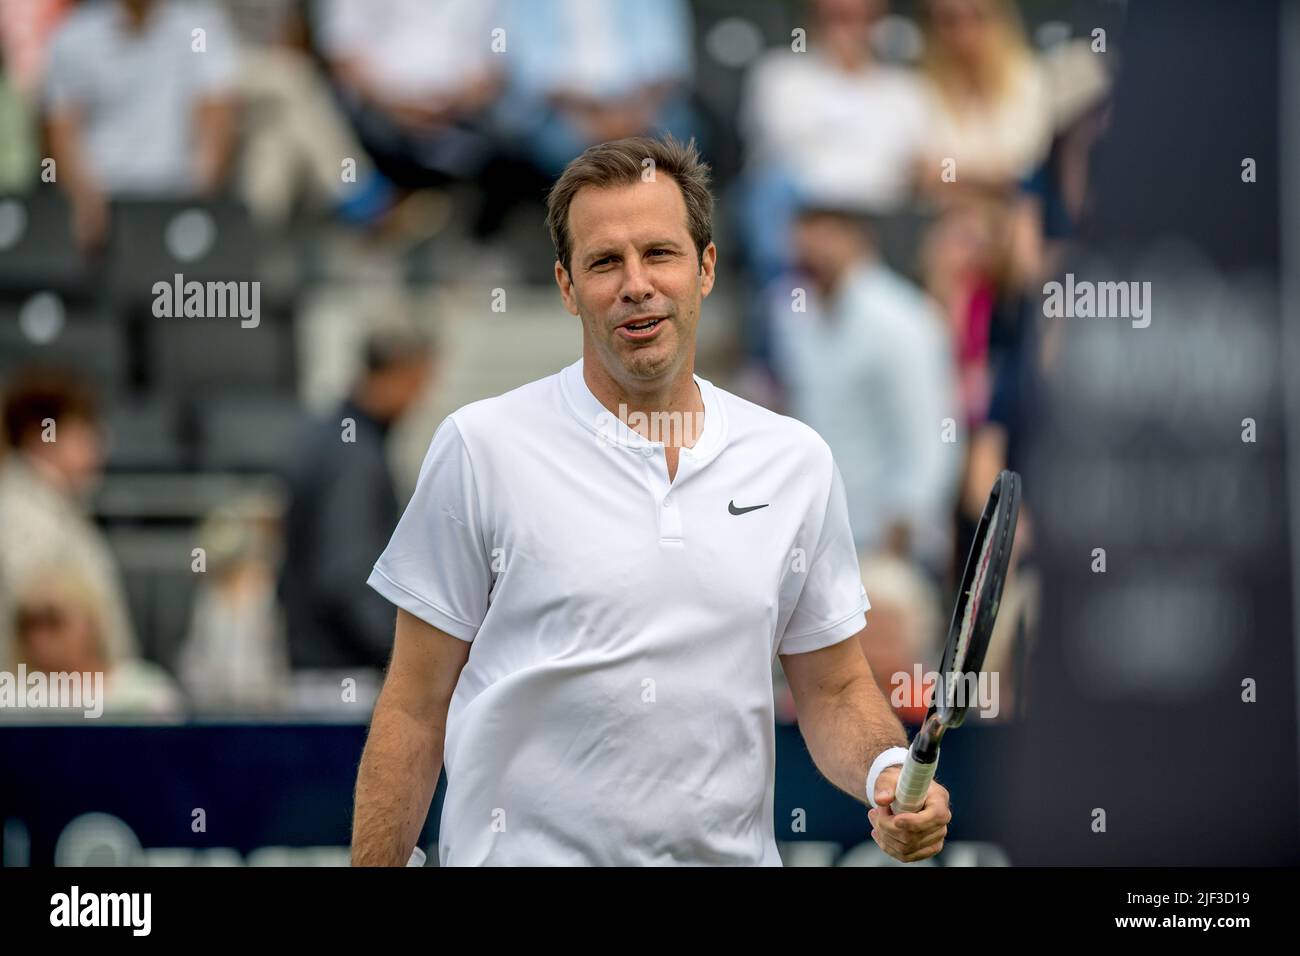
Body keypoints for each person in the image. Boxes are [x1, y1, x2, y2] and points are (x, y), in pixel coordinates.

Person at [351, 135, 951, 866]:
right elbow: (413, 706)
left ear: (705, 269)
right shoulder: (480, 447)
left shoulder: (796, 462)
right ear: (568, 288)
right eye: (605, 262)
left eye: (659, 254)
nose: (636, 283)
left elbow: (833, 688)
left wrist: (888, 773)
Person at [772, 203, 962, 575]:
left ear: (858, 236)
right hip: (821, 540)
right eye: (805, 227)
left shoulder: (903, 320)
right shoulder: (791, 311)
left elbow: (930, 438)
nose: (811, 243)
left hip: (890, 546)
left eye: (827, 227)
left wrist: (897, 543)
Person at [279, 327, 433, 673]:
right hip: (340, 677)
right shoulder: (354, 455)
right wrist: (405, 661)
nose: (420, 399)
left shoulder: (334, 434)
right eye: (419, 382)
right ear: (400, 374)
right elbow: (345, 578)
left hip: (320, 666)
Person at [42, 0, 238, 254]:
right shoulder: (74, 35)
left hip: (174, 200)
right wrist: (83, 203)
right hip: (106, 207)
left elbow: (215, 111)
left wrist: (198, 199)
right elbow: (61, 130)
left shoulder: (198, 30)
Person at [0, 367, 136, 674]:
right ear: (42, 435)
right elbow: (43, 635)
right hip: (49, 708)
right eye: (83, 433)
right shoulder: (21, 519)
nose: (97, 446)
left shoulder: (54, 509)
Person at [7, 569, 181, 718]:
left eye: (53, 622)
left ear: (91, 624)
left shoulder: (144, 693)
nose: (38, 638)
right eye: (28, 625)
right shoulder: (12, 701)